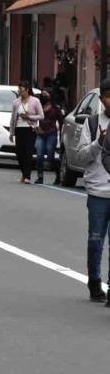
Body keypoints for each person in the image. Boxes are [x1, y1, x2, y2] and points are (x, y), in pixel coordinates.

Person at [78, 77, 110, 304]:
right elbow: (79, 156)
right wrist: (99, 143)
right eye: (109, 96)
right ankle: (95, 283)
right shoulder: (91, 123)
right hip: (98, 192)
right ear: (102, 99)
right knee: (96, 240)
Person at [9, 81, 43, 184]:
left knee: (28, 153)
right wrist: (11, 132)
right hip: (19, 129)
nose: (20, 92)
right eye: (18, 90)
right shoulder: (16, 102)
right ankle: (24, 174)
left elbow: (41, 116)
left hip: (30, 129)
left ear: (27, 90)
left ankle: (27, 176)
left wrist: (29, 117)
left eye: (21, 90)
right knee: (20, 153)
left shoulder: (35, 101)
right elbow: (12, 118)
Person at [34, 95, 64, 185]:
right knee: (39, 156)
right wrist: (36, 127)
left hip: (51, 134)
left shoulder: (55, 108)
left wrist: (61, 133)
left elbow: (61, 121)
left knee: (51, 156)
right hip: (40, 134)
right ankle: (40, 177)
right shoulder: (38, 106)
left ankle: (58, 175)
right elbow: (33, 119)